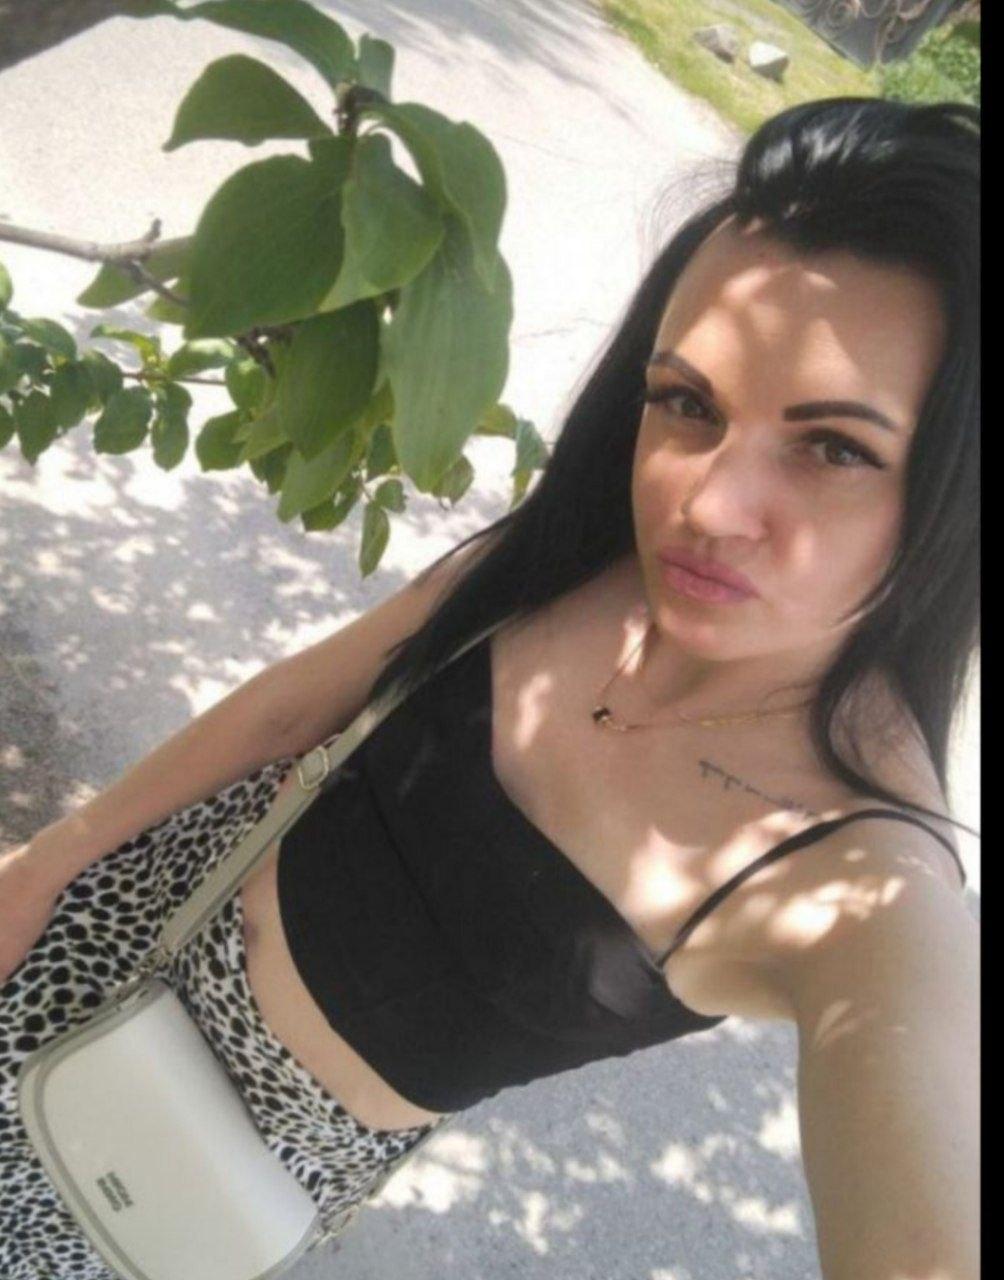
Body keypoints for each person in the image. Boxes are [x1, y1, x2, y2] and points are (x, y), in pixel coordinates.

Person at [0, 96, 979, 1278]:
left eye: (833, 446)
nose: (708, 504)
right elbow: (294, 706)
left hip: (165, 1184)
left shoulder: (860, 881)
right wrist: (45, 865)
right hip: (102, 939)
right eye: (686, 402)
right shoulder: (576, 556)